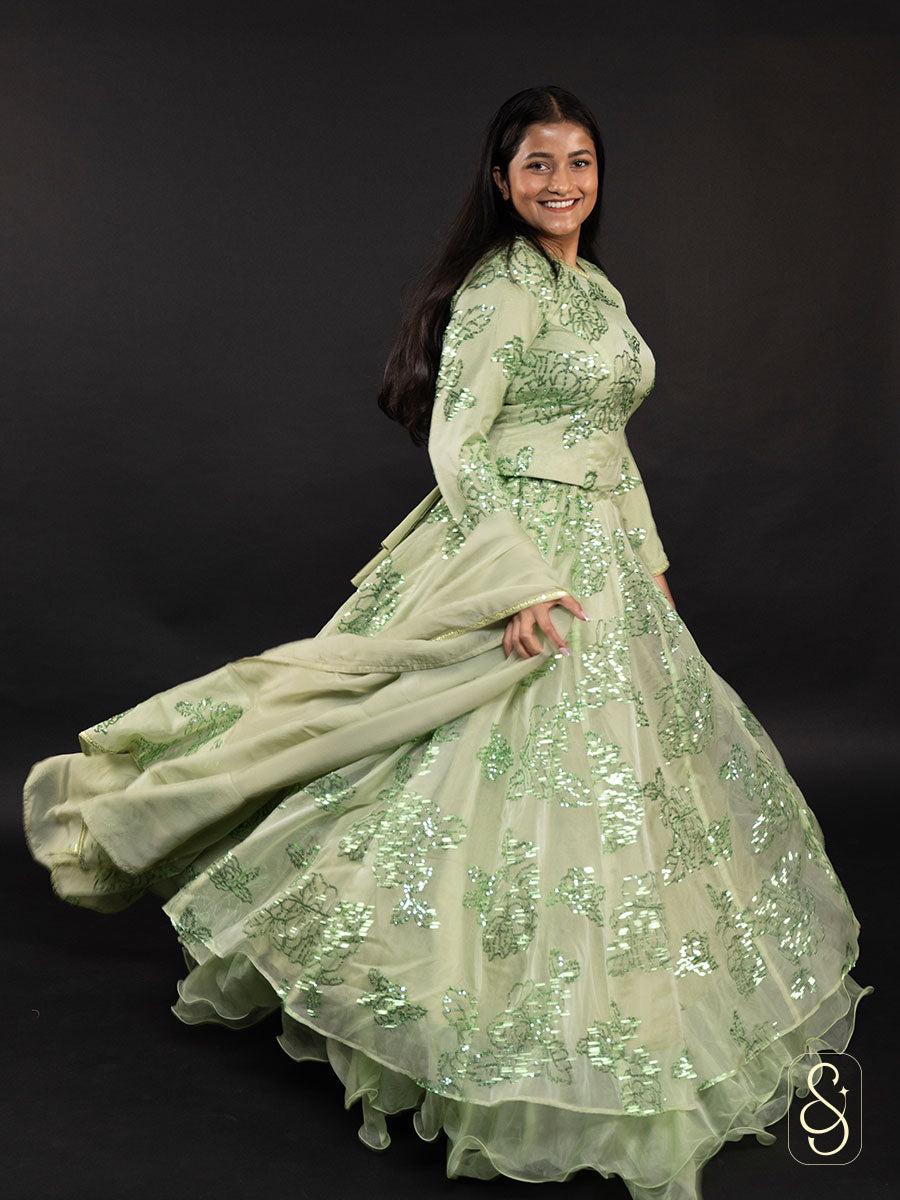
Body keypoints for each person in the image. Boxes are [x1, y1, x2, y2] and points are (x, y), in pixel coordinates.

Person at [23, 85, 872, 1200]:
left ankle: (614, 1018)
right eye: (536, 166)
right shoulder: (499, 292)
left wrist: (649, 559)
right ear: (502, 180)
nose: (560, 182)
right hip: (511, 543)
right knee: (438, 759)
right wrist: (517, 578)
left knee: (622, 787)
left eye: (577, 162)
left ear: (598, 174)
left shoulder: (596, 290)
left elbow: (609, 442)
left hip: (604, 561)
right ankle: (432, 1015)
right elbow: (457, 439)